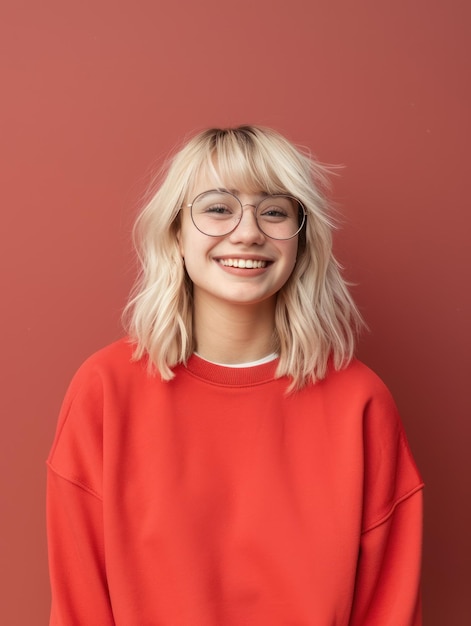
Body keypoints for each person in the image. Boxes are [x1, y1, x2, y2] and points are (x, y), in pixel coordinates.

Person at [47, 125, 424, 625]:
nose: (248, 232)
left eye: (273, 211)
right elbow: (80, 606)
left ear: (301, 243)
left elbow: (390, 609)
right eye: (218, 208)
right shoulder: (105, 390)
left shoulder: (361, 401)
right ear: (176, 234)